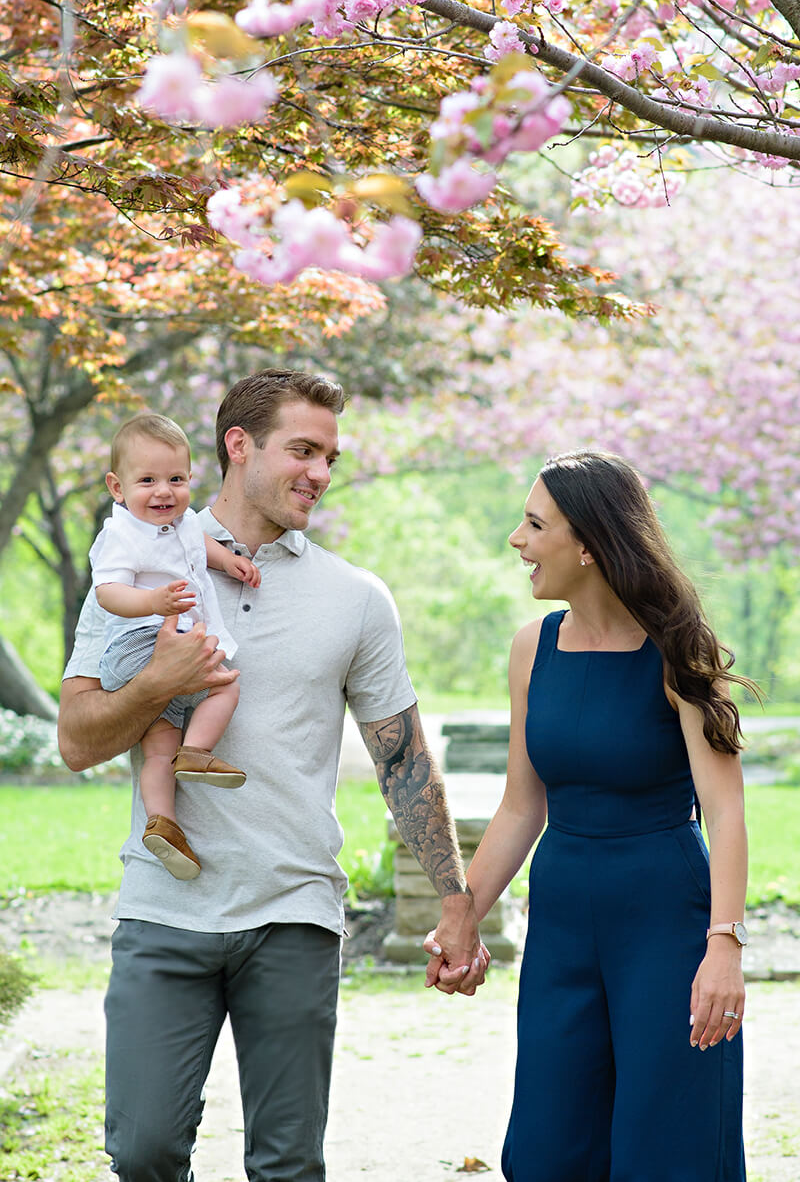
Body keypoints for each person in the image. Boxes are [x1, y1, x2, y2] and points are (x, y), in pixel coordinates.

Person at [58, 368, 484, 1182]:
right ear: (239, 446)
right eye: (302, 449)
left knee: (289, 1165)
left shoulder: (355, 597)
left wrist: (456, 901)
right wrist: (157, 681)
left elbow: (402, 757)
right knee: (143, 1151)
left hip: (293, 911)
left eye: (329, 456)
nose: (320, 472)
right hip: (165, 907)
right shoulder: (136, 577)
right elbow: (76, 742)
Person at [425, 450, 753, 1181]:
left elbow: (725, 811)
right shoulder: (530, 650)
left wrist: (723, 944)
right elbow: (521, 804)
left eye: (534, 524)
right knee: (549, 1146)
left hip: (665, 921)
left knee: (667, 1145)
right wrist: (463, 912)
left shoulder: (676, 651)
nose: (517, 539)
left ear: (589, 545)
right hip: (564, 921)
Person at [91, 412, 261, 880]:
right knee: (224, 683)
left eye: (175, 479)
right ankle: (199, 751)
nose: (163, 491)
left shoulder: (184, 523)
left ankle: (162, 823)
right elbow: (107, 591)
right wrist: (152, 600)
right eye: (147, 480)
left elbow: (198, 544)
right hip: (141, 642)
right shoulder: (121, 533)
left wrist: (229, 561)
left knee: (157, 743)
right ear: (117, 487)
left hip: (156, 650)